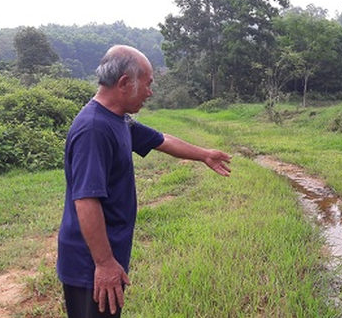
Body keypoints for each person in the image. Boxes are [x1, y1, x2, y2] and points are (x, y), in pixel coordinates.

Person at [56, 45, 231, 317]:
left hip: (104, 256)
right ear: (124, 83)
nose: (150, 92)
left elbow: (161, 139)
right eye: (147, 85)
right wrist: (103, 264)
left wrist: (205, 155)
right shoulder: (94, 128)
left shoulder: (118, 120)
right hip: (88, 264)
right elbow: (86, 200)